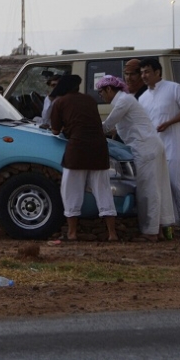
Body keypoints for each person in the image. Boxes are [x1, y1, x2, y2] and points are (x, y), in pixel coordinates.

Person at [96, 75, 175, 241]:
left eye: (101, 92)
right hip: (149, 146)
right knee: (156, 188)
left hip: (145, 148)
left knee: (148, 190)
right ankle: (157, 230)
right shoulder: (125, 100)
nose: (100, 96)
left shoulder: (123, 101)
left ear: (109, 89)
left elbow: (107, 126)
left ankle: (150, 233)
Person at [49, 75, 118, 241]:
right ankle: (112, 233)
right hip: (99, 149)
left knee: (71, 190)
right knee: (103, 191)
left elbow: (55, 131)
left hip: (77, 150)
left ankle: (72, 233)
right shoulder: (89, 100)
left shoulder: (59, 102)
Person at [138, 58, 180, 238]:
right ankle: (170, 224)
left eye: (147, 72)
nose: (144, 76)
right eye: (141, 73)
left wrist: (168, 123)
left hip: (174, 146)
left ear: (157, 72)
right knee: (162, 187)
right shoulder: (143, 97)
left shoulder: (173, 88)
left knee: (177, 184)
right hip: (156, 148)